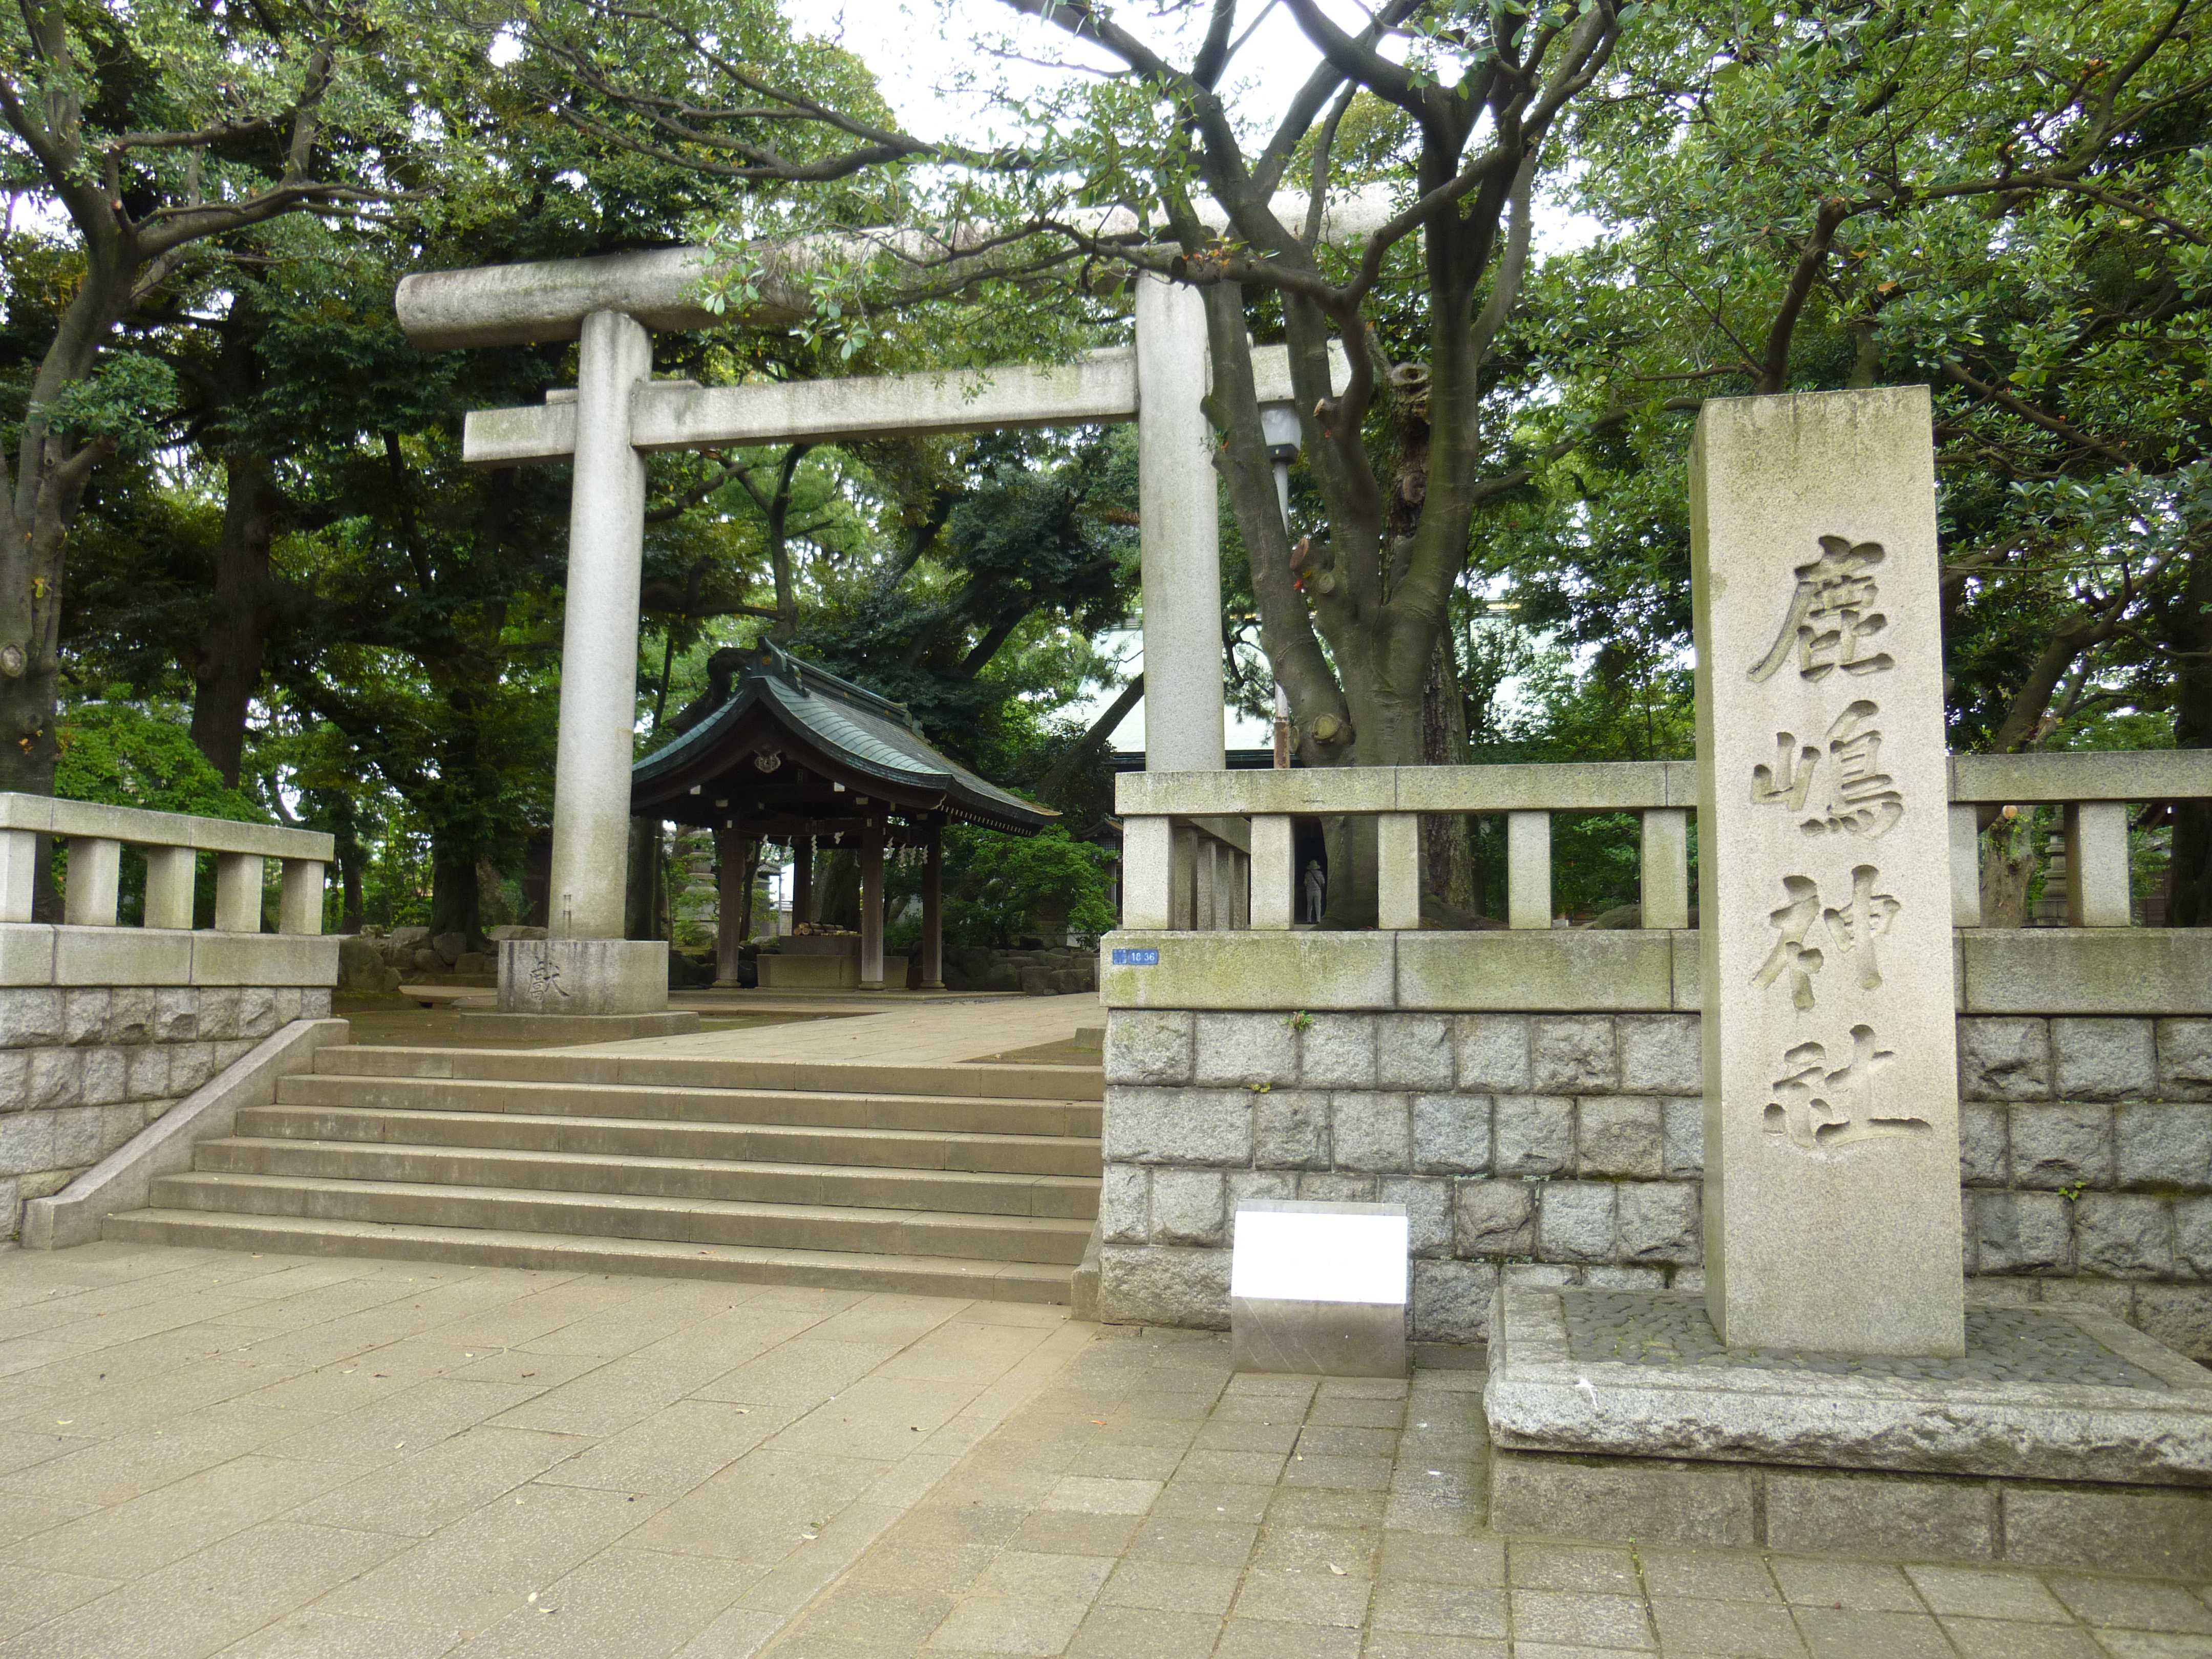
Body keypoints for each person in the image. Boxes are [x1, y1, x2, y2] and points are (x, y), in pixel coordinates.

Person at [1301, 860, 1326, 925]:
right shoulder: (1320, 873)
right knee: (1318, 906)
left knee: (1309, 906)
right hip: (1318, 891)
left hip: (1309, 891)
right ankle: (1318, 920)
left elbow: (1305, 883)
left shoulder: (1307, 874)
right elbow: (1323, 882)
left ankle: (1309, 920)